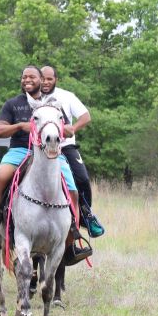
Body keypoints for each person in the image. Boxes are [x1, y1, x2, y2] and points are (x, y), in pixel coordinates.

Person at [0, 65, 88, 263]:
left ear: (41, 80)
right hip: (19, 151)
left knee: (73, 190)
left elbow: (66, 128)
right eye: (24, 77)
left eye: (32, 77)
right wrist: (20, 126)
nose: (27, 80)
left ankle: (73, 238)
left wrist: (68, 129)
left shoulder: (53, 104)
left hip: (49, 153)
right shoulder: (12, 104)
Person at [40, 65, 104, 238]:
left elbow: (86, 116)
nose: (45, 82)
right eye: (43, 79)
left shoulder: (66, 96)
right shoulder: (33, 98)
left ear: (55, 80)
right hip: (39, 147)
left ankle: (85, 216)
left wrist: (73, 128)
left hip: (65, 146)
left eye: (49, 79)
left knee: (82, 178)